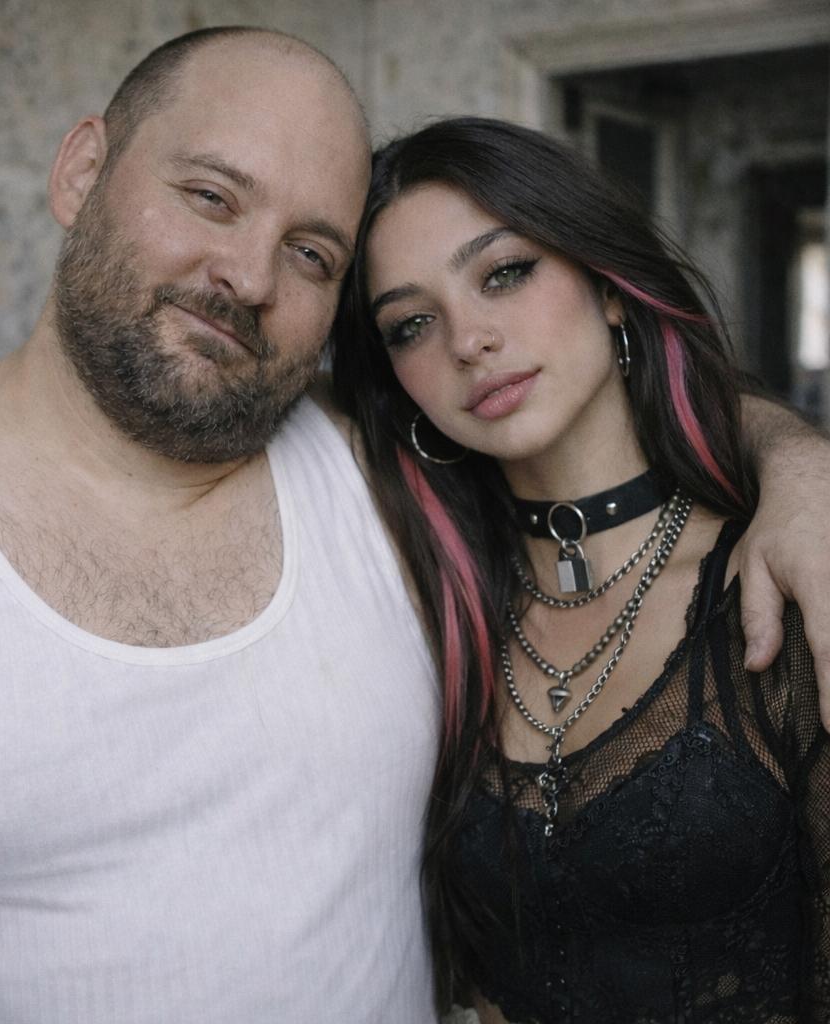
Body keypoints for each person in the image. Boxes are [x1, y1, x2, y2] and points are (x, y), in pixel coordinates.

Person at [0, 27, 826, 1024]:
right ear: (82, 172)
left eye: (309, 252)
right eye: (211, 196)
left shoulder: (364, 471)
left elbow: (614, 412)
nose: (249, 278)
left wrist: (798, 466)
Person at [332, 116, 829, 1022]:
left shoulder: (788, 584)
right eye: (411, 324)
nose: (467, 340)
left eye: (504, 273)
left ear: (607, 286)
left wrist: (800, 460)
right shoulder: (427, 611)